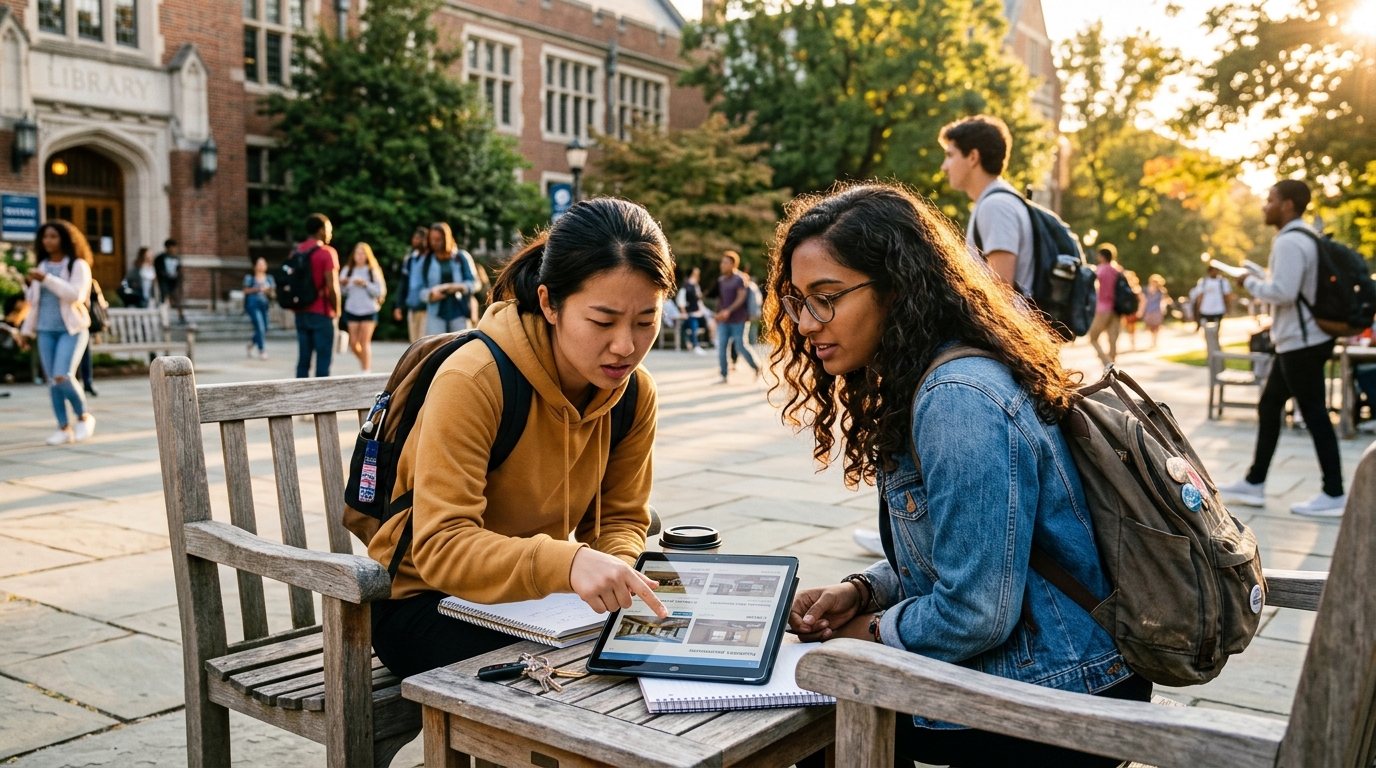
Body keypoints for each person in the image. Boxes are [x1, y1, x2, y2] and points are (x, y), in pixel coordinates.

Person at [768, 184, 1146, 768]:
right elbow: (965, 554)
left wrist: (861, 634)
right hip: (1040, 673)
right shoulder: (927, 377)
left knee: (808, 726)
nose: (807, 323)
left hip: (1056, 698)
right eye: (797, 301)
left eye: (827, 297)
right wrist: (863, 591)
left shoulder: (957, 398)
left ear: (897, 288)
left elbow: (975, 611)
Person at [367, 198, 674, 678]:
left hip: (540, 603)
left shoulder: (633, 392)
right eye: (602, 321)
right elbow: (442, 545)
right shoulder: (476, 378)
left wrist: (613, 573)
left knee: (652, 656)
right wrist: (568, 562)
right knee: (578, 683)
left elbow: (621, 517)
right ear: (550, 303)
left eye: (645, 321)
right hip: (426, 603)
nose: (626, 346)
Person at [1219, 180, 1346, 517]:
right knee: (1271, 404)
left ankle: (1334, 492)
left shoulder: (1289, 240)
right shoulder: (1304, 236)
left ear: (1288, 205)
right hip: (1301, 340)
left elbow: (1284, 293)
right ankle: (1255, 482)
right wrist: (1260, 275)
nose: (1265, 205)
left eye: (1270, 199)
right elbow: (1290, 285)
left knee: (1315, 413)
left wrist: (1249, 282)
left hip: (1300, 343)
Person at [21, 221, 97, 445]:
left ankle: (83, 417)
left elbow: (76, 295)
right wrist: (26, 332)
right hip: (45, 330)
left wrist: (47, 279)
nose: (48, 241)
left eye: (53, 236)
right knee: (52, 382)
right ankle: (64, 428)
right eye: (45, 237)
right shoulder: (42, 265)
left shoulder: (77, 265)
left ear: (65, 239)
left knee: (62, 375)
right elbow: (34, 303)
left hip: (71, 330)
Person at [939, 115, 1034, 294]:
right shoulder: (997, 201)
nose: (944, 166)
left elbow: (1001, 290)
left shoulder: (996, 206)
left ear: (973, 157)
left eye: (950, 155)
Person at [292, 213, 341, 379]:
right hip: (322, 313)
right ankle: (322, 402)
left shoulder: (296, 252)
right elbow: (332, 286)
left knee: (303, 361)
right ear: (321, 230)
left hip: (301, 312)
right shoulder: (326, 253)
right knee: (323, 361)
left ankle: (300, 398)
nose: (330, 233)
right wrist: (337, 311)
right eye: (328, 229)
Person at [422, 222, 481, 336]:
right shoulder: (426, 261)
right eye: (432, 239)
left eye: (438, 239)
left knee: (461, 348)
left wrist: (459, 287)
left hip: (459, 310)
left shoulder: (461, 257)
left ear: (446, 238)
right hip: (436, 313)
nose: (435, 243)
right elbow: (418, 289)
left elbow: (475, 283)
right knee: (437, 350)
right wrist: (430, 294)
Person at [713, 251, 760, 383]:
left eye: (725, 263)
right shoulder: (721, 280)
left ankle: (756, 367)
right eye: (722, 262)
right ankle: (723, 374)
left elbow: (741, 297)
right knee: (722, 346)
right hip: (724, 320)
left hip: (739, 319)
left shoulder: (739, 279)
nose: (722, 265)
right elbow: (721, 299)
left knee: (740, 345)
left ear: (733, 264)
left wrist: (728, 310)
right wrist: (718, 313)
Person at [341, 242, 386, 374]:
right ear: (353, 255)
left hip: (369, 309)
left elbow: (380, 292)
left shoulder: (373, 271)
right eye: (357, 254)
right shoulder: (348, 270)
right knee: (354, 344)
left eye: (362, 254)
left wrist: (365, 284)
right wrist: (343, 283)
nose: (360, 256)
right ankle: (365, 363)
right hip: (352, 309)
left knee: (364, 342)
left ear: (367, 256)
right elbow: (342, 292)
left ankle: (366, 371)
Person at [1087, 244, 1122, 367]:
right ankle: (1113, 364)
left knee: (1093, 337)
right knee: (1112, 339)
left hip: (1103, 308)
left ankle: (1106, 363)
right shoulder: (1118, 270)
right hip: (1117, 308)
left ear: (1102, 256)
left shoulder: (1100, 270)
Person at [394, 227, 429, 343]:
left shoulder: (431, 258)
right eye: (414, 238)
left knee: (425, 341)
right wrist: (399, 305)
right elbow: (403, 283)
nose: (415, 241)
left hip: (427, 307)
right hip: (412, 305)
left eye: (418, 238)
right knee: (414, 342)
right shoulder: (410, 260)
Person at [243, 256, 275, 360]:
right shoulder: (250, 278)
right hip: (253, 305)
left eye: (263, 264)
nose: (261, 267)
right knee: (260, 326)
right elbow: (245, 290)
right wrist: (257, 289)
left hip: (264, 305)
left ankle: (252, 343)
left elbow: (273, 293)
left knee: (264, 327)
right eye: (259, 264)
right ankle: (262, 350)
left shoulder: (269, 278)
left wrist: (268, 290)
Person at [677, 267, 709, 354]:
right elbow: (681, 301)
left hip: (699, 313)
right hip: (689, 314)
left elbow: (698, 300)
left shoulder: (696, 286)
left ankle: (711, 342)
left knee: (709, 322)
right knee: (692, 324)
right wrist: (684, 313)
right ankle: (695, 345)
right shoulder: (685, 287)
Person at [153, 238, 185, 324]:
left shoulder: (177, 258)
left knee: (176, 298)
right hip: (164, 280)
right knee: (164, 297)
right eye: (170, 247)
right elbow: (158, 269)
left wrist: (178, 274)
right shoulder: (160, 258)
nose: (172, 249)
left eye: (173, 247)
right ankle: (163, 317)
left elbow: (179, 268)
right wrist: (164, 274)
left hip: (173, 281)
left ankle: (181, 316)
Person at [1142, 274, 1172, 349]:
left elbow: (1165, 299)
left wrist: (1165, 304)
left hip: (1157, 311)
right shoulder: (1146, 290)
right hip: (1148, 310)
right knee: (1150, 327)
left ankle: (1154, 342)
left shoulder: (1161, 291)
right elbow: (1143, 300)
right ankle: (1152, 340)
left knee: (1156, 327)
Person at [1121, 270, 1144, 351]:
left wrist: (1140, 311)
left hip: (1132, 310)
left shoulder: (1136, 288)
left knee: (1132, 328)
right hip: (1124, 311)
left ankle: (1132, 343)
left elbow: (1142, 300)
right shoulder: (1122, 288)